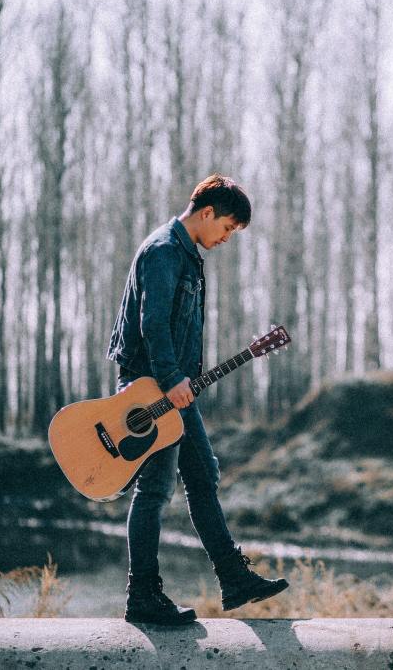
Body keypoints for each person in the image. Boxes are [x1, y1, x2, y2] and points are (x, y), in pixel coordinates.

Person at [106, 174, 288, 626]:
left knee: (203, 474)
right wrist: (170, 379)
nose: (227, 238)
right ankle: (142, 596)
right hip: (153, 389)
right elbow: (153, 325)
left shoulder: (188, 255)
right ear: (207, 213)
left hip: (175, 388)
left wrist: (180, 380)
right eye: (227, 227)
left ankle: (233, 578)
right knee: (155, 490)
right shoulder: (165, 251)